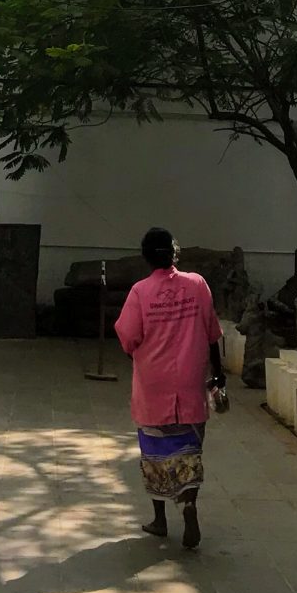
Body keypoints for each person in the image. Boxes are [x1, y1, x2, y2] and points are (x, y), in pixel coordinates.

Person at [112, 227, 226, 548]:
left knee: (155, 453)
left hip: (153, 388)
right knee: (190, 451)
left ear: (145, 257)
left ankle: (160, 519)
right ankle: (189, 504)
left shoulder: (139, 292)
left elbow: (128, 338)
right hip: (191, 387)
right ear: (175, 253)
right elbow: (212, 333)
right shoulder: (198, 285)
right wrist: (218, 375)